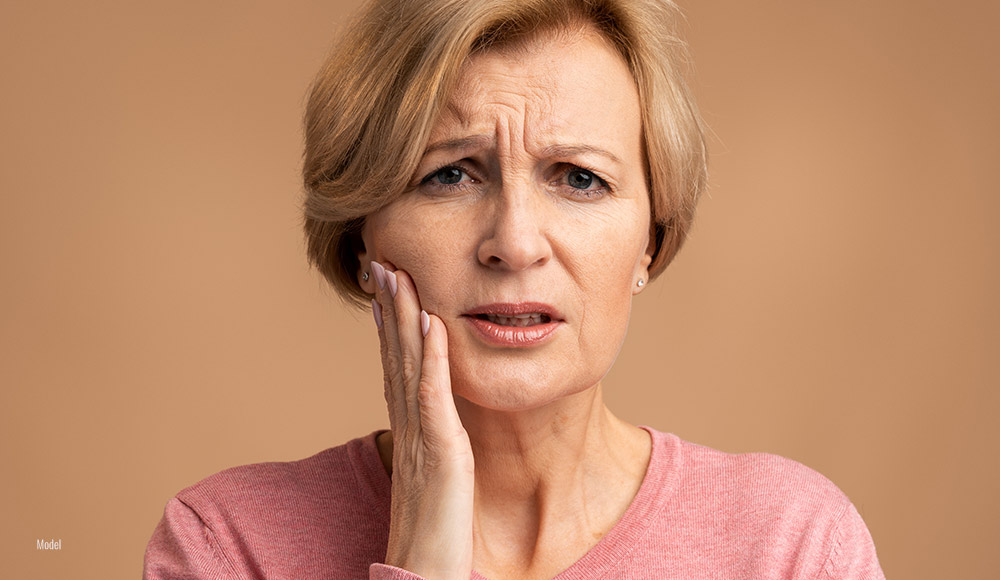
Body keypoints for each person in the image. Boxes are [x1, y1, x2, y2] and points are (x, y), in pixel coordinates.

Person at [143, 0, 885, 578]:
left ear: (650, 241)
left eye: (580, 179)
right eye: (450, 174)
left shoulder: (792, 547)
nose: (516, 243)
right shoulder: (227, 548)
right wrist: (423, 557)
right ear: (362, 235)